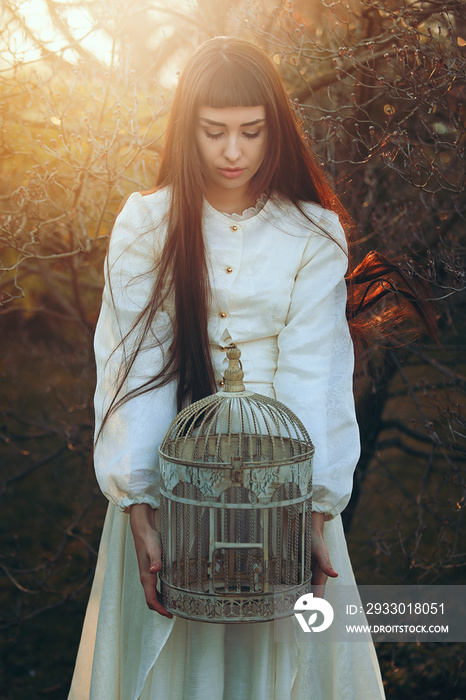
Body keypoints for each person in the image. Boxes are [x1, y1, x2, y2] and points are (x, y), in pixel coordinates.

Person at [68, 36, 394, 699]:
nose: (233, 152)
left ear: (275, 130)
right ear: (186, 130)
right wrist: (142, 508)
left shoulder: (311, 231)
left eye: (251, 131)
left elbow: (317, 374)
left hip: (281, 482)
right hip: (167, 478)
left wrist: (311, 513)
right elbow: (134, 367)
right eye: (213, 132)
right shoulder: (146, 225)